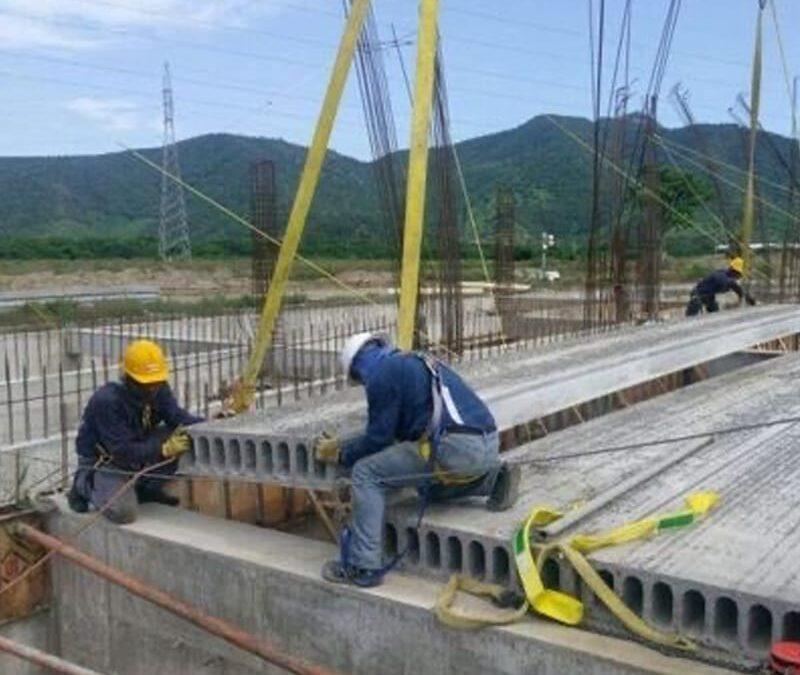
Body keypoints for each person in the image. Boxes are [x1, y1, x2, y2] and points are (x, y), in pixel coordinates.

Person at [314, 332, 520, 588]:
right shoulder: (416, 361)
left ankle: (362, 565)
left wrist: (340, 452)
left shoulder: (381, 374)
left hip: (454, 447)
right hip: (486, 445)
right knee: (424, 488)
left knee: (366, 473)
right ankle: (492, 479)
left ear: (358, 366)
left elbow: (378, 439)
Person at [66, 339, 203, 524]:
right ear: (130, 378)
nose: (153, 388)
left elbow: (177, 417)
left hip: (136, 447)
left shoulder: (158, 388)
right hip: (106, 460)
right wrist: (162, 449)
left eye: (156, 383)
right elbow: (122, 451)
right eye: (147, 384)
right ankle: (84, 485)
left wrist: (215, 424)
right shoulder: (108, 402)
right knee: (124, 513)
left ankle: (143, 488)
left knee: (181, 434)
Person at [685, 256, 756, 317]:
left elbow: (739, 290)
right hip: (697, 295)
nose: (737, 277)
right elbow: (731, 284)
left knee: (715, 313)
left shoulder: (730, 280)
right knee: (692, 314)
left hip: (709, 297)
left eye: (739, 275)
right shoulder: (720, 275)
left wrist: (749, 299)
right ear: (732, 270)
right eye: (737, 274)